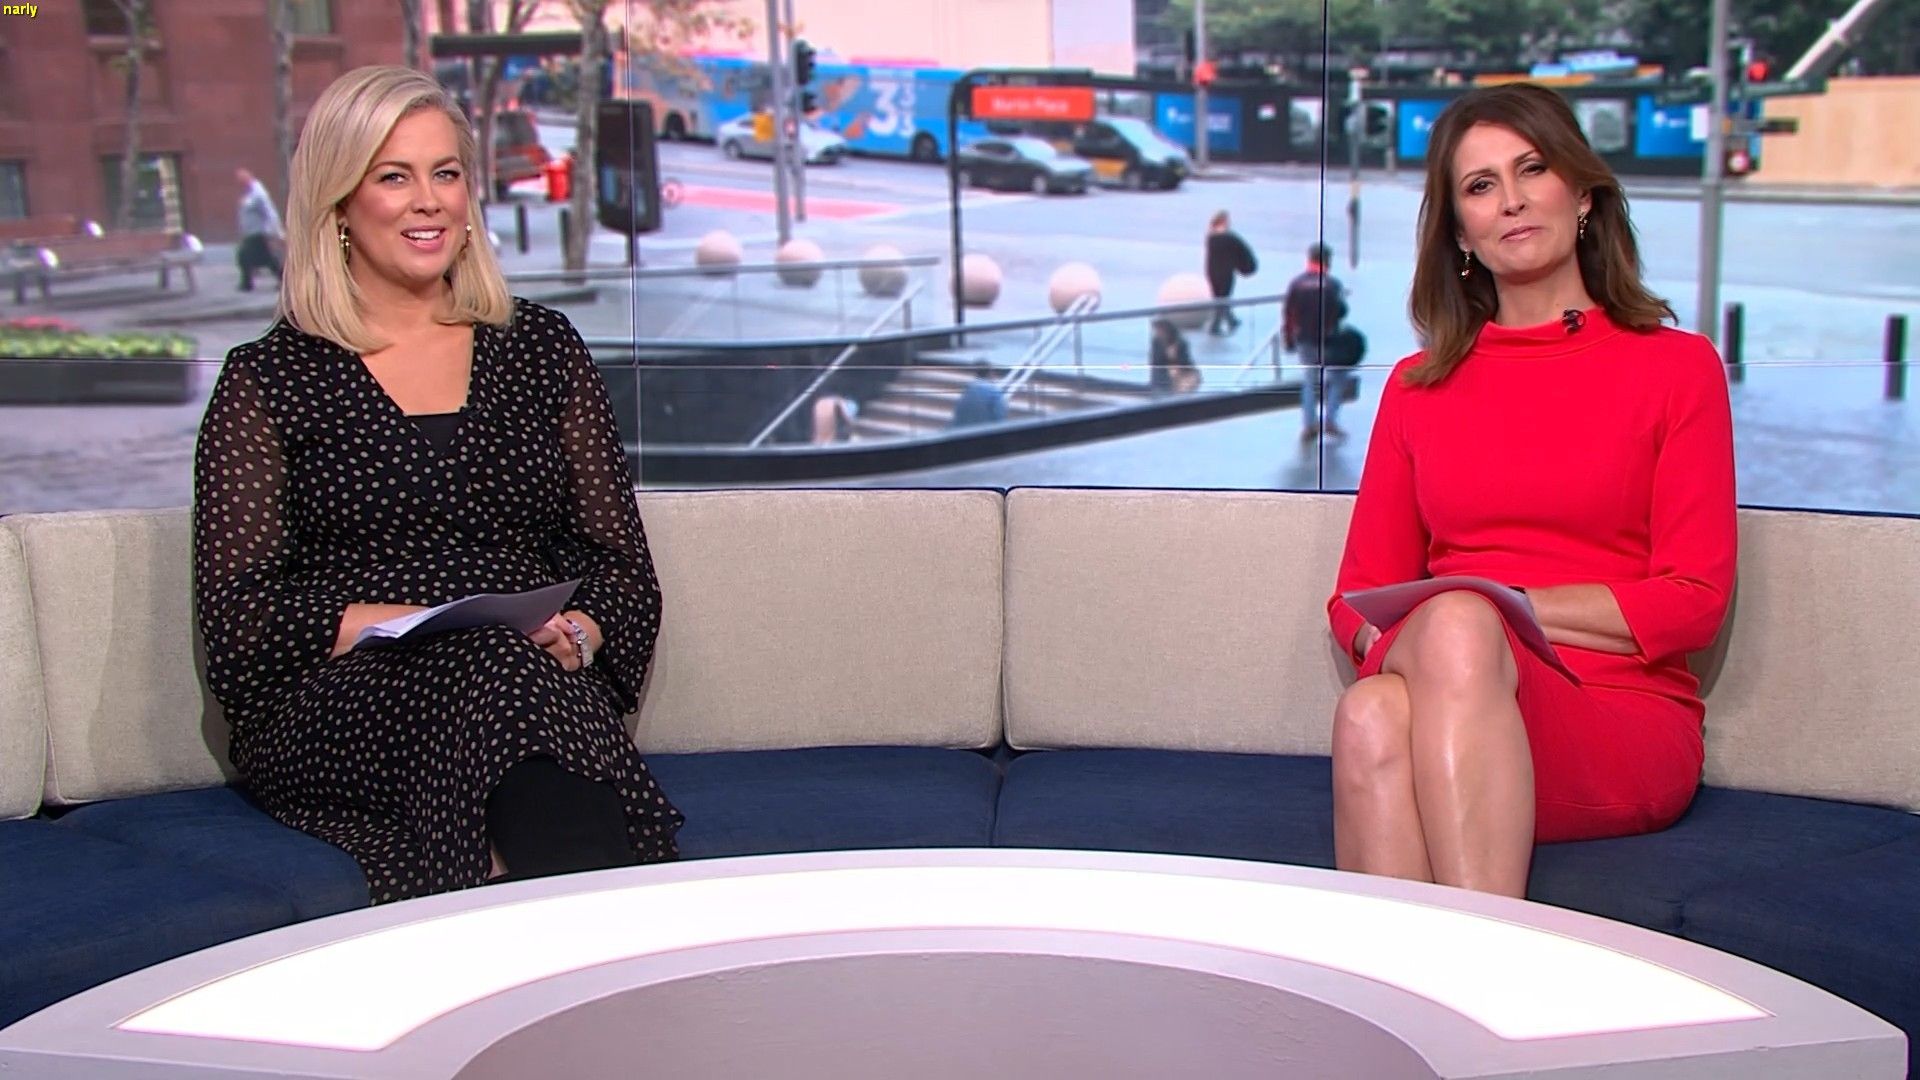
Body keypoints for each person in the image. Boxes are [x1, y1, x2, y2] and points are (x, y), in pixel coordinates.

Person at [192, 66, 682, 904]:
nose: (429, 202)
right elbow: (242, 621)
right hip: (345, 703)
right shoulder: (268, 379)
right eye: (394, 177)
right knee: (490, 669)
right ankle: (611, 927)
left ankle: (536, 921)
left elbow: (620, 569)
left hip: (527, 683)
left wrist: (578, 633)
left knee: (500, 673)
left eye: (445, 173)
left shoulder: (541, 349)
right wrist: (404, 625)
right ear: (338, 204)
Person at [1325, 83, 1736, 899]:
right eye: (1480, 186)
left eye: (1533, 169)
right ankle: (1442, 977)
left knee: (1458, 626)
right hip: (1450, 697)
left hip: (1616, 716)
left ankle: (1478, 955)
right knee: (1369, 712)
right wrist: (1454, 640)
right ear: (1461, 232)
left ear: (1582, 194)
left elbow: (1692, 602)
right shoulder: (1415, 388)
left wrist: (1493, 611)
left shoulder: (1676, 368)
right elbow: (1353, 600)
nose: (1510, 200)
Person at [1283, 243, 1350, 442]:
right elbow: (1341, 311)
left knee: (1309, 381)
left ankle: (1309, 424)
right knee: (1337, 378)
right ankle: (1330, 420)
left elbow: (1288, 314)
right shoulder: (1333, 284)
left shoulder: (1297, 284)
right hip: (1329, 340)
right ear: (1328, 262)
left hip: (1305, 340)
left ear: (1309, 259)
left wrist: (1288, 339)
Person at [1204, 211, 1257, 335]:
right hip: (1225, 273)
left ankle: (1230, 320)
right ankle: (1216, 325)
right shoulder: (1230, 238)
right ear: (1223, 221)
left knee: (1219, 297)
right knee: (1223, 298)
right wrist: (1245, 267)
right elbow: (1241, 252)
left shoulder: (1210, 237)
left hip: (1212, 272)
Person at [234, 167, 285, 292]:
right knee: (259, 257)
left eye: (241, 180)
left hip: (259, 232)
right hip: (251, 233)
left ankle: (247, 283)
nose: (239, 183)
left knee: (248, 256)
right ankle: (248, 283)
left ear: (248, 178)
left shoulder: (258, 193)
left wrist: (274, 231)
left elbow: (269, 212)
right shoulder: (249, 193)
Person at [1147, 317, 1200, 394]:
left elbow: (1185, 361)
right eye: (1156, 330)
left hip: (1182, 371)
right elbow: (1155, 361)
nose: (1158, 332)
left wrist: (1173, 356)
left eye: (1160, 330)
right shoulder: (1156, 341)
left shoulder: (1180, 342)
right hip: (1163, 372)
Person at [949, 361, 1009, 427]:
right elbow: (999, 418)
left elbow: (958, 415)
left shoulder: (968, 390)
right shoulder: (994, 393)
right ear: (990, 372)